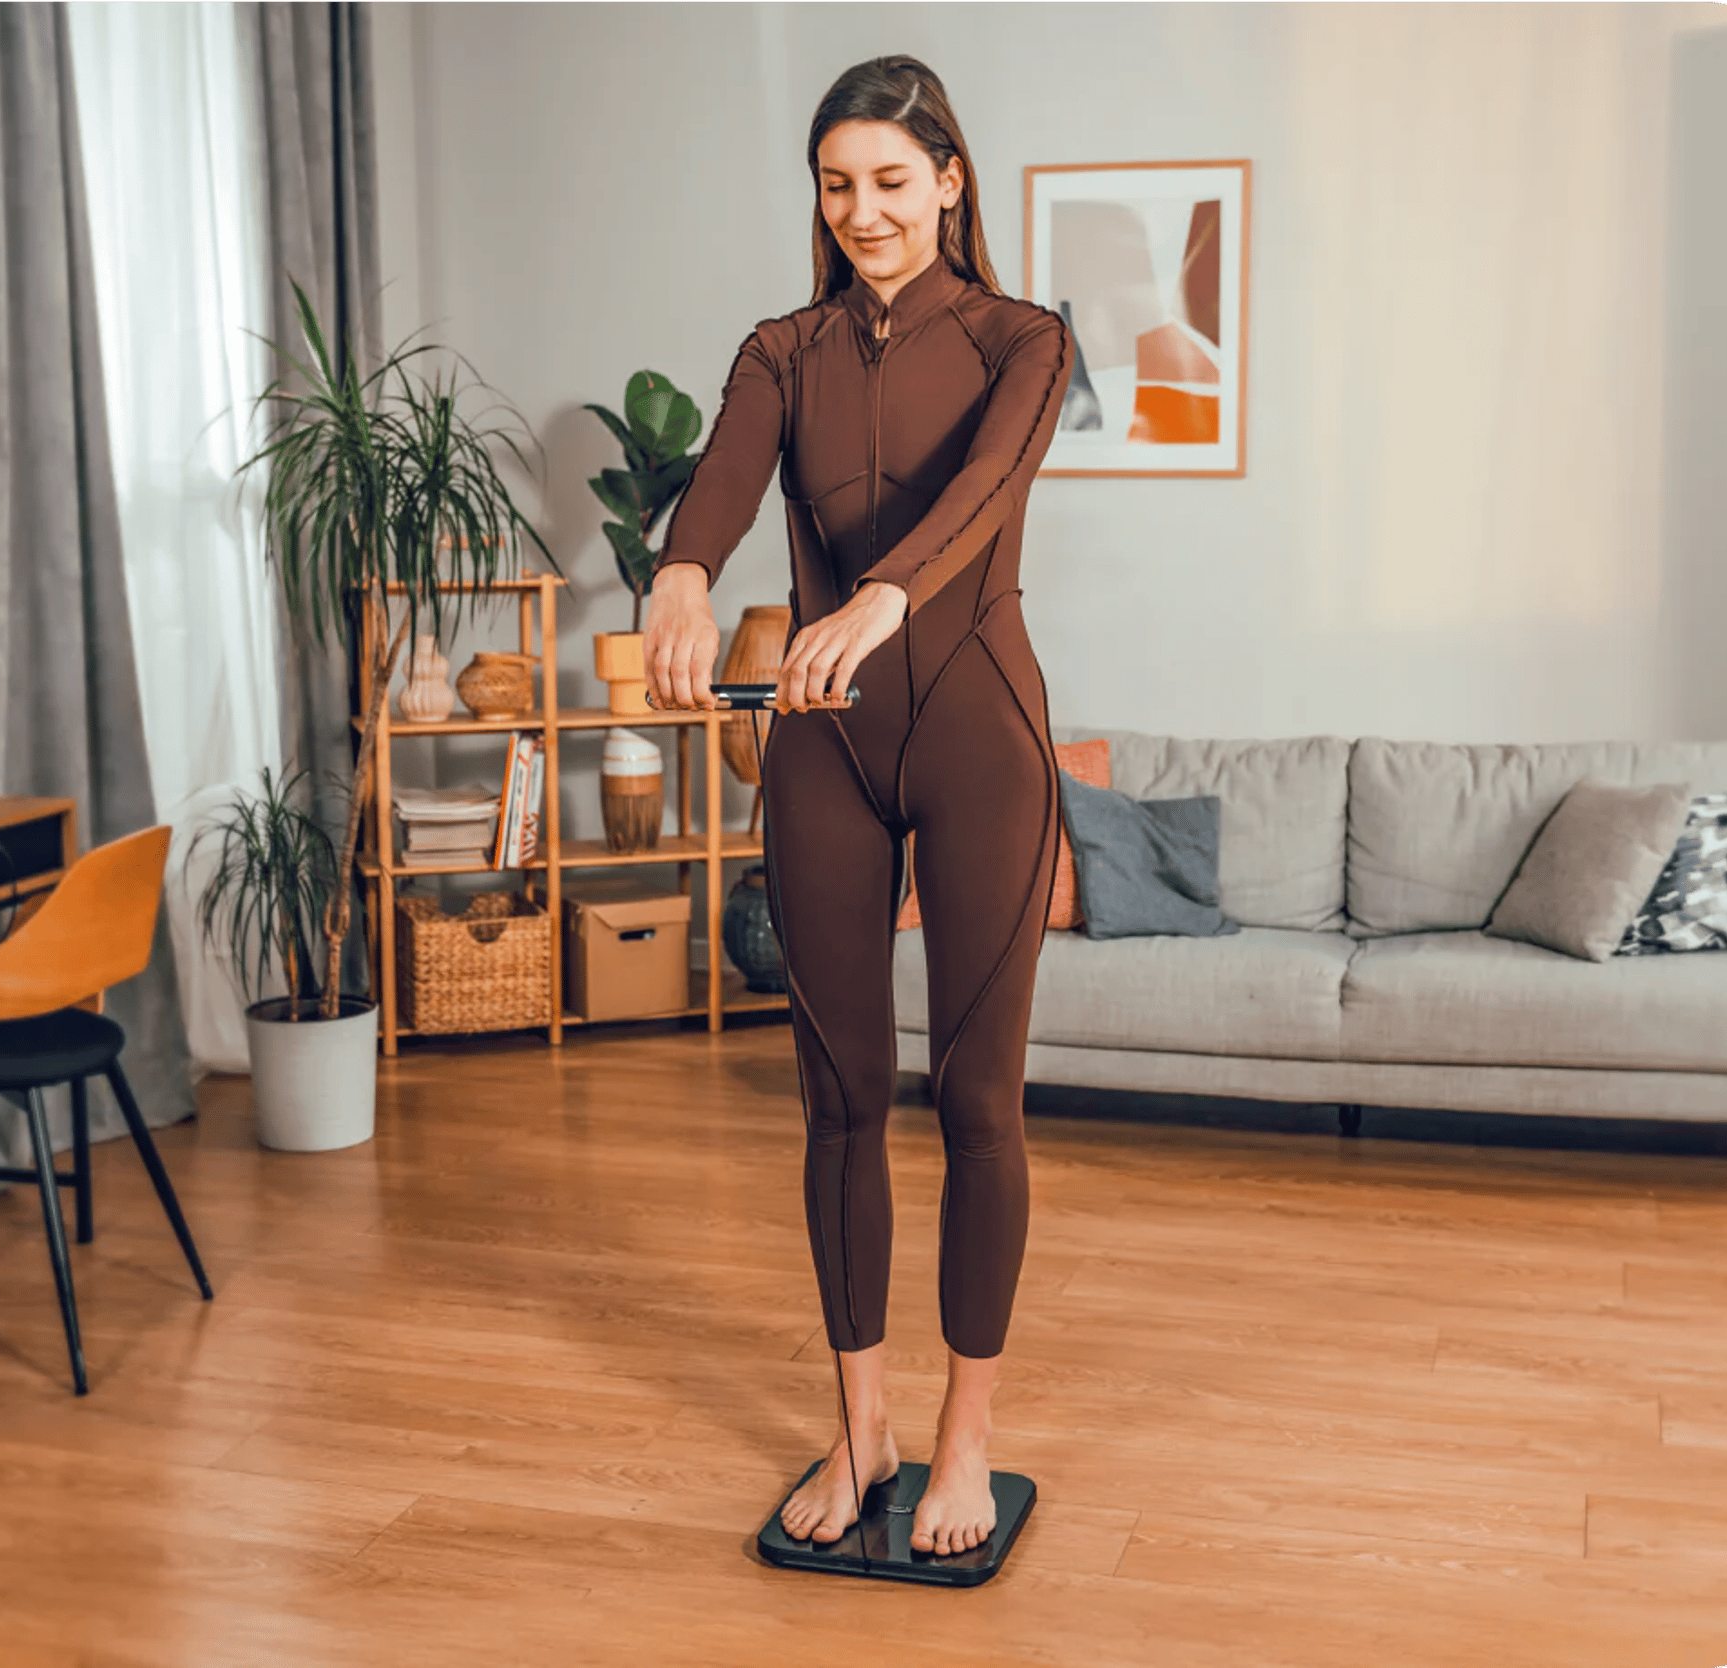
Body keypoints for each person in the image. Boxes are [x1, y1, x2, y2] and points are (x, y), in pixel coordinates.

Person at [642, 54, 1070, 1559]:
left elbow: (988, 487)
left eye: (893, 179)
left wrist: (883, 597)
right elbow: (721, 486)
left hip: (977, 740)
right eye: (838, 184)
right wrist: (681, 579)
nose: (864, 210)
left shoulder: (1027, 338)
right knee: (837, 1102)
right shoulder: (783, 350)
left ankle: (966, 1439)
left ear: (950, 178)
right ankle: (863, 1427)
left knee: (976, 1102)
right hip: (822, 746)